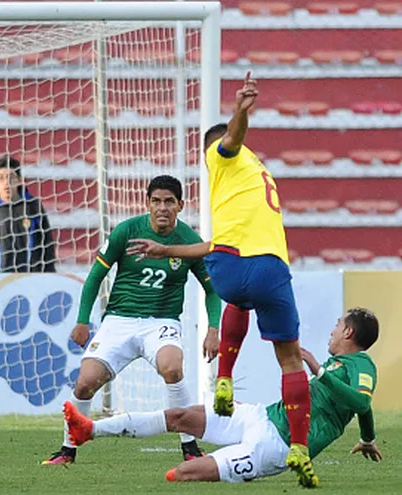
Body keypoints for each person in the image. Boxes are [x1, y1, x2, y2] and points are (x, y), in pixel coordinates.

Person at [126, 72, 317, 487]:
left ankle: (225, 377)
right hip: (270, 268)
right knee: (289, 360)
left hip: (229, 265)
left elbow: (230, 138)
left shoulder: (221, 153)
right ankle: (300, 446)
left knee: (236, 296)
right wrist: (168, 249)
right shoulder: (260, 174)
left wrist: (240, 111)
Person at [64, 308, 381, 486]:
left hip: (276, 447)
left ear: (349, 333)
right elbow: (363, 412)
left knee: (183, 474)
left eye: (338, 325)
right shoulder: (340, 364)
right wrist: (367, 439)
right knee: (180, 416)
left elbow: (362, 404)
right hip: (262, 416)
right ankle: (88, 430)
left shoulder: (362, 365)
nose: (332, 331)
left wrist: (318, 371)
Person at [43, 175, 222, 465]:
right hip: (119, 320)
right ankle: (67, 450)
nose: (162, 207)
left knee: (172, 368)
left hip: (162, 322)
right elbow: (95, 277)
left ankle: (190, 447)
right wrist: (82, 320)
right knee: (85, 383)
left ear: (180, 205)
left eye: (169, 201)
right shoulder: (126, 232)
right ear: (147, 203)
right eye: (156, 201)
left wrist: (213, 329)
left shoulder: (190, 241)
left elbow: (212, 289)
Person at [0, 156, 56, 272]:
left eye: (11, 177)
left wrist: (48, 274)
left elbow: (47, 244)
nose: (6, 183)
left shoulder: (33, 206)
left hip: (30, 276)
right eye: (0, 178)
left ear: (19, 180)